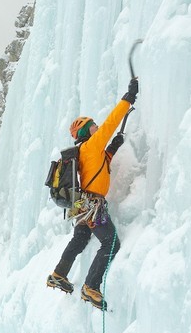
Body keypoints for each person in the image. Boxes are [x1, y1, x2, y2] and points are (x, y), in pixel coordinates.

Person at [46, 78, 139, 310]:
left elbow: (101, 165)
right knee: (111, 243)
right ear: (87, 130)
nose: (98, 127)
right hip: (92, 205)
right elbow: (111, 122)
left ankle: (59, 273)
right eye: (93, 126)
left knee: (80, 239)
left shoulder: (86, 151)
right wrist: (128, 98)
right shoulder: (92, 144)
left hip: (81, 205)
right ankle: (91, 286)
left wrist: (114, 146)